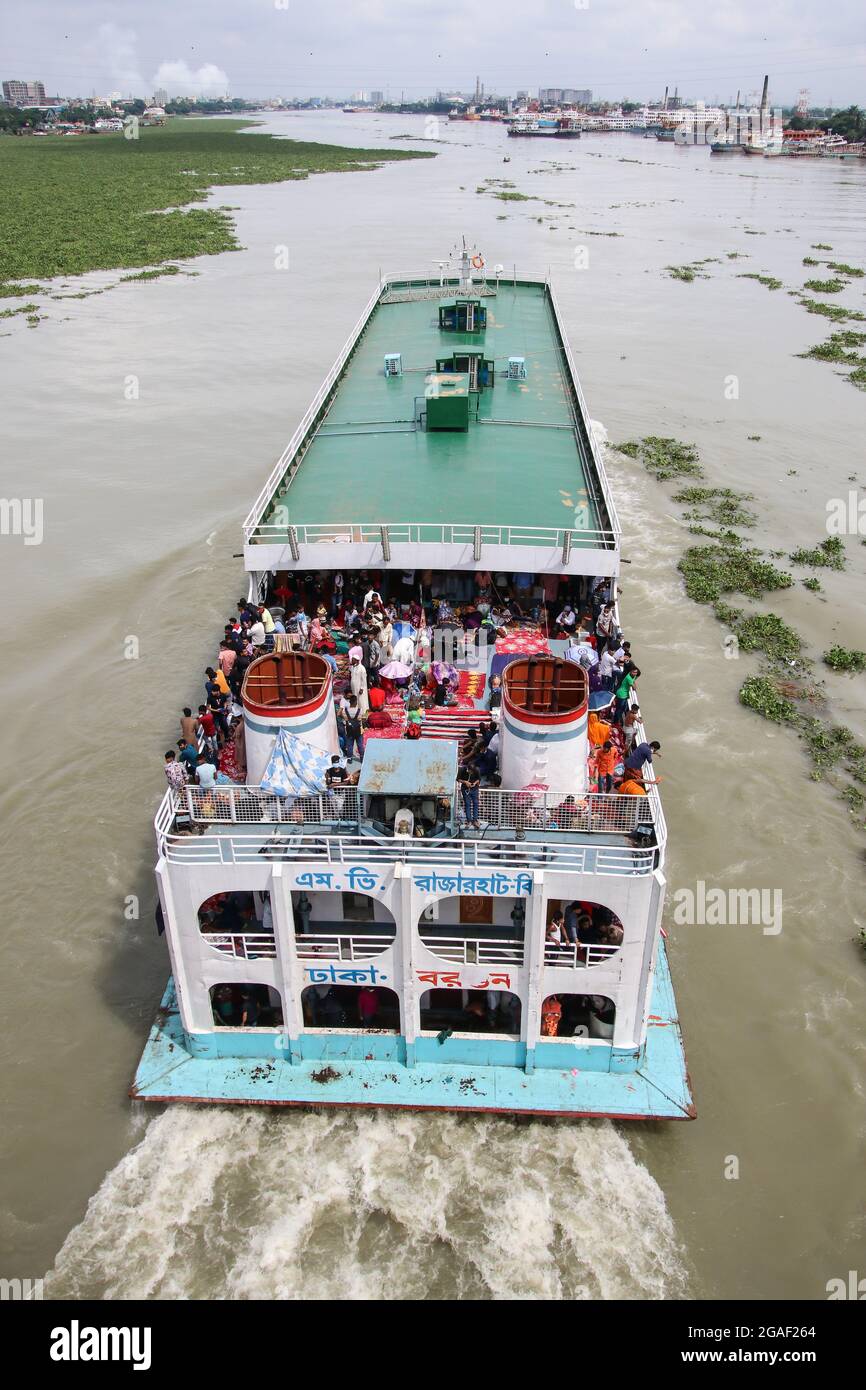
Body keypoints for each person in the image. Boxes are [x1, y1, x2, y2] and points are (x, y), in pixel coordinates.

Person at [340, 694, 366, 763]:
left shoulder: (345, 711)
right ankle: (362, 758)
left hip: (349, 730)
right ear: (356, 702)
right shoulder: (360, 710)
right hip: (358, 730)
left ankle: (349, 759)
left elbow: (340, 715)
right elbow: (363, 719)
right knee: (360, 744)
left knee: (350, 745)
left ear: (350, 702)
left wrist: (345, 718)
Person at [457, 763, 481, 829]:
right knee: (467, 804)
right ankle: (469, 821)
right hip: (465, 789)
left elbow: (478, 779)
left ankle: (475, 820)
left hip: (474, 789)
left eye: (472, 772)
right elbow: (458, 779)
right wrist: (465, 782)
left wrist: (474, 783)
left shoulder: (477, 770)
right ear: (468, 769)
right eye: (470, 771)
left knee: (475, 804)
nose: (471, 773)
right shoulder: (462, 769)